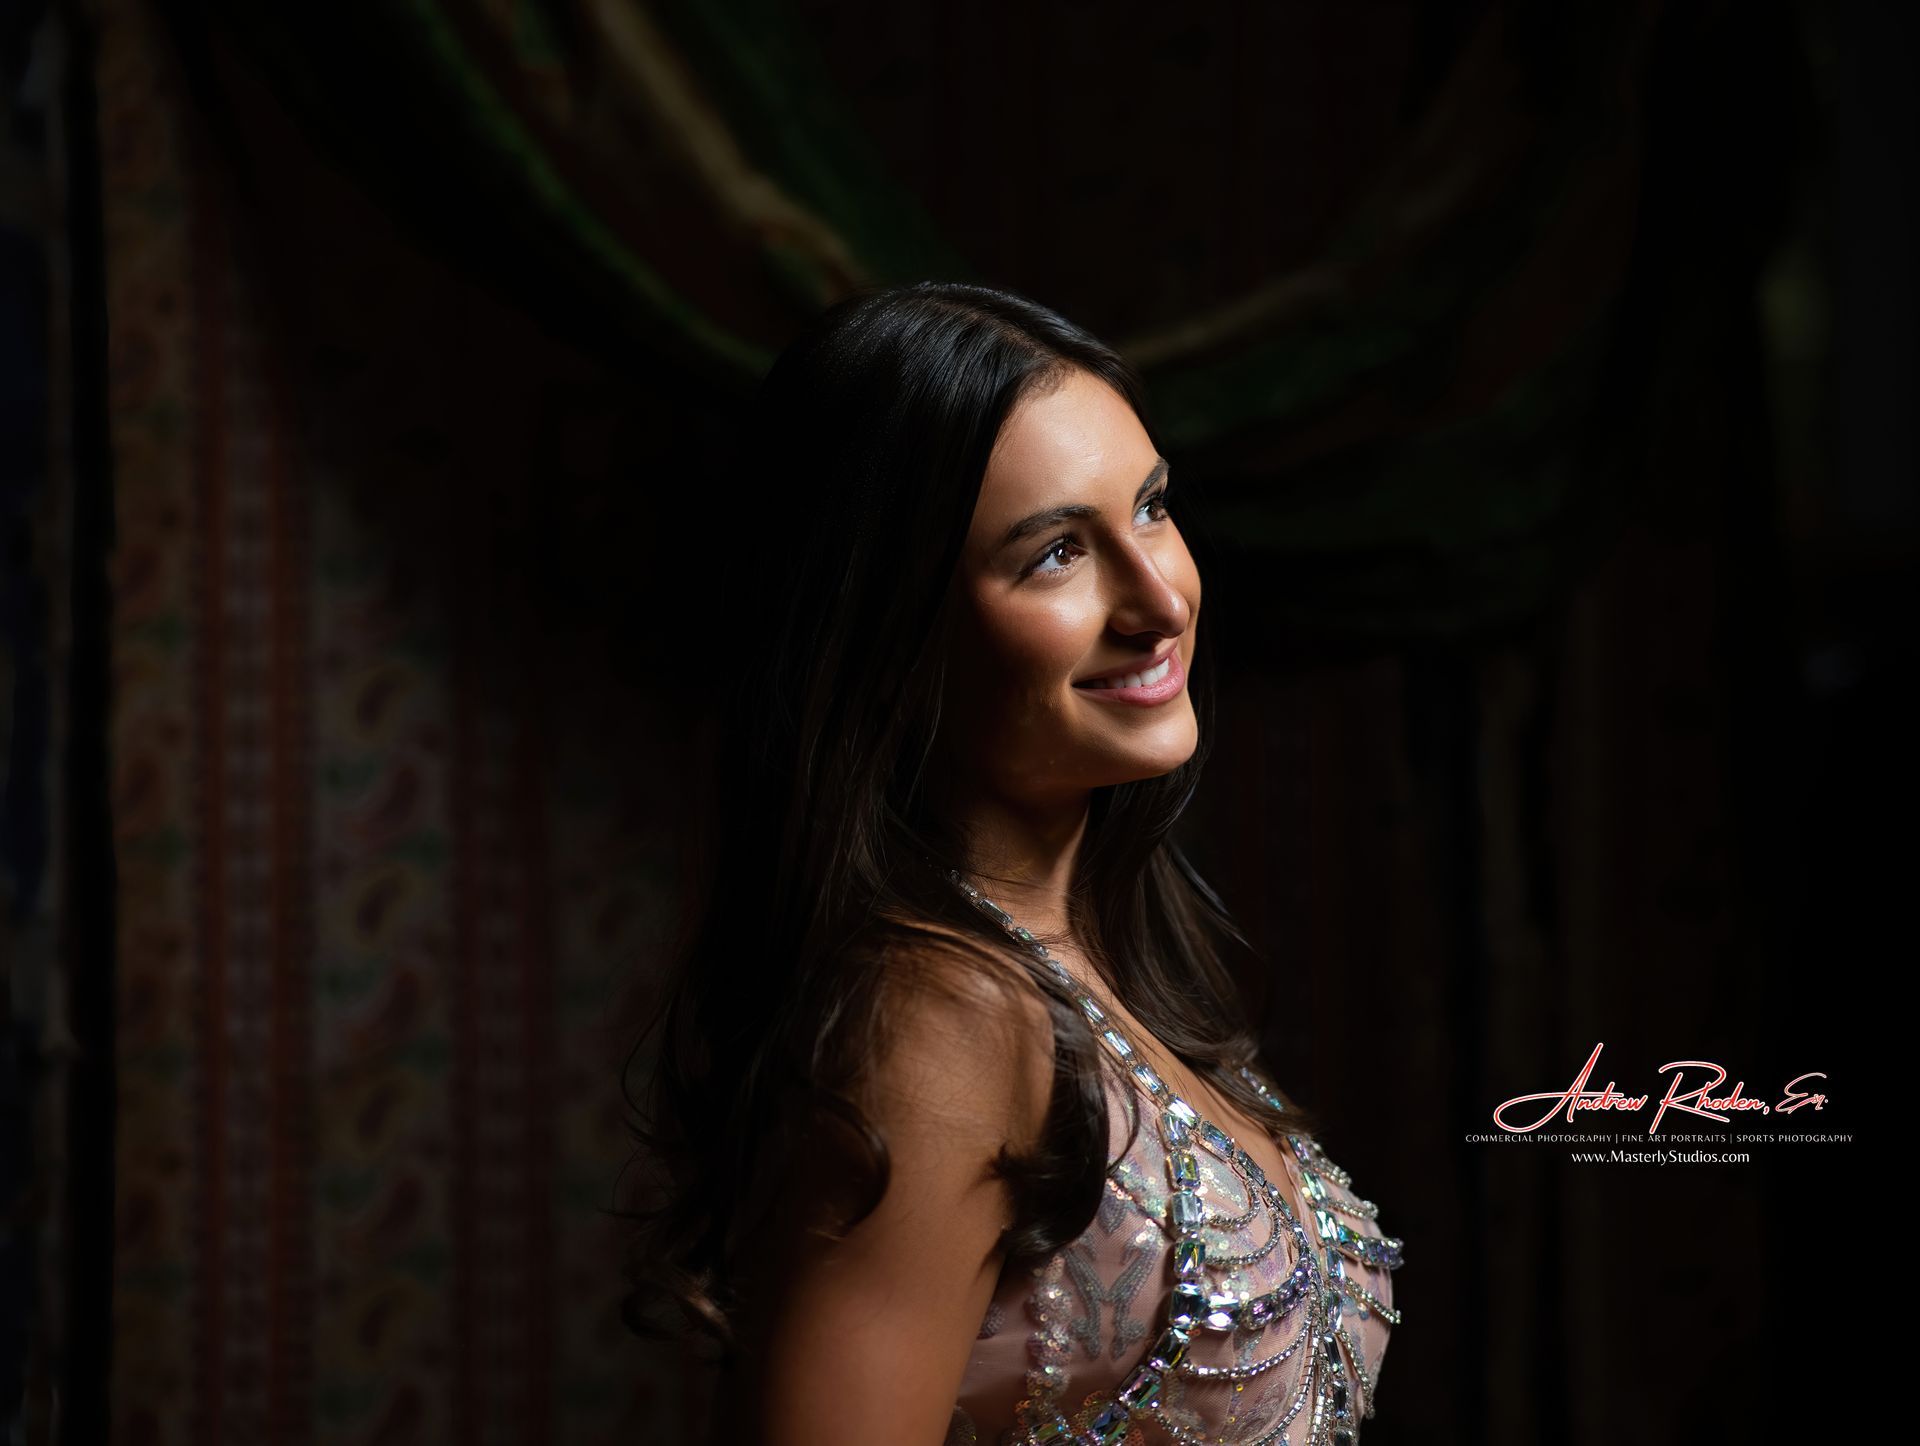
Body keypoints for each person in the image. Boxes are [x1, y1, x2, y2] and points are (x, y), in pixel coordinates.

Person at [617, 282, 1403, 1445]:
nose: (1156, 597)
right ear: (888, 635)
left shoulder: (1099, 972)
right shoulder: (940, 1020)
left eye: (1150, 509)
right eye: (1053, 556)